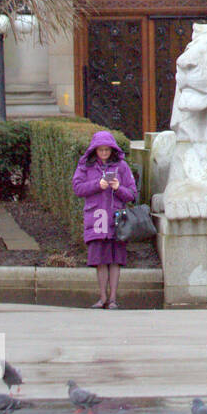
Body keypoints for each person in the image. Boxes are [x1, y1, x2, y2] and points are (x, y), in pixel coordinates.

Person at [72, 131, 137, 309]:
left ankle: (113, 299)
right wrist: (97, 185)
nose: (104, 153)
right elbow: (77, 188)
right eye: (100, 150)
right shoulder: (85, 166)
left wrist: (118, 188)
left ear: (112, 149)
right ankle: (102, 298)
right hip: (96, 218)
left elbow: (132, 194)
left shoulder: (121, 166)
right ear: (94, 150)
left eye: (107, 150)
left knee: (116, 259)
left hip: (117, 220)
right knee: (100, 260)